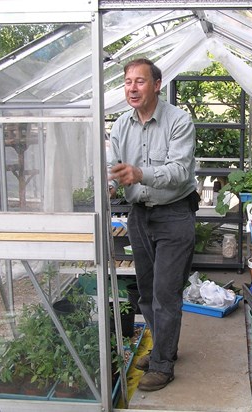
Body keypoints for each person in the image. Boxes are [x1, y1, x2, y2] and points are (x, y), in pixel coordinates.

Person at [108, 58, 198, 391]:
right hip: (139, 215)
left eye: (140, 81)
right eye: (128, 82)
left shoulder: (178, 121)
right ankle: (164, 349)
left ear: (156, 85)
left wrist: (140, 173)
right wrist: (110, 183)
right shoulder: (120, 125)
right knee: (145, 291)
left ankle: (162, 365)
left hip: (174, 214)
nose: (132, 88)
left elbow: (179, 172)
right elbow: (112, 166)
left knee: (165, 293)